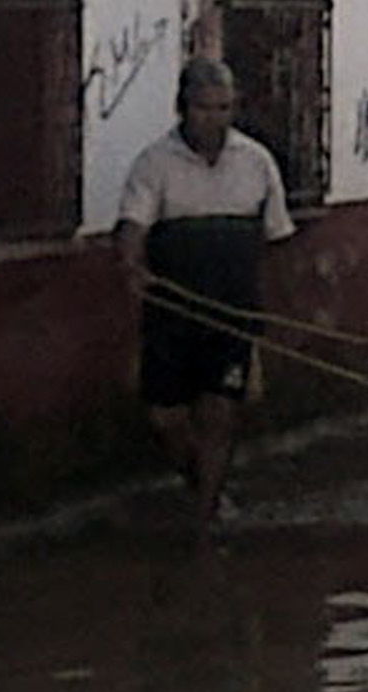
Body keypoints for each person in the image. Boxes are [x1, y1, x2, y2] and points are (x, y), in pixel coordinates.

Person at [116, 57, 296, 537]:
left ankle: (205, 520)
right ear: (183, 108)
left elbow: (276, 239)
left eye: (223, 108)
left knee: (219, 413)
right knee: (164, 416)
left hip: (232, 312)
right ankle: (204, 485)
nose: (214, 118)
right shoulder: (154, 164)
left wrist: (267, 312)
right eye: (204, 108)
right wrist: (132, 264)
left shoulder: (257, 162)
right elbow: (133, 225)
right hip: (172, 312)